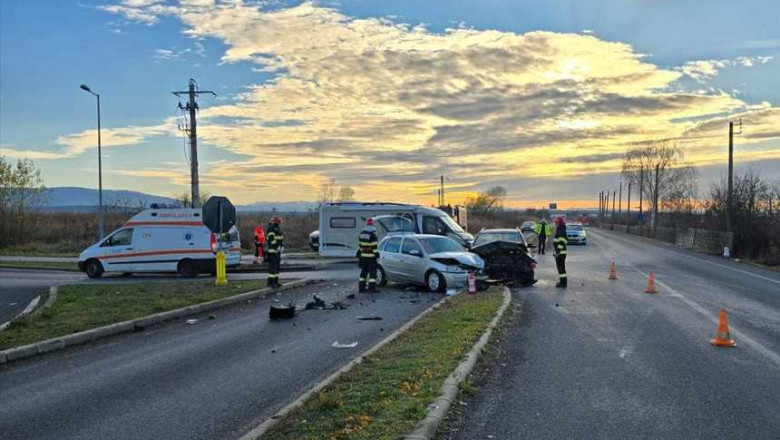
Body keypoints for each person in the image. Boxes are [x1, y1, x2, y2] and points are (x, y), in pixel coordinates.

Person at [358, 218, 380, 293]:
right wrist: (377, 255)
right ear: (372, 226)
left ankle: (361, 288)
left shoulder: (361, 234)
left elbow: (360, 246)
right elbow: (374, 247)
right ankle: (372, 288)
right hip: (371, 258)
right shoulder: (373, 236)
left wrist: (363, 253)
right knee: (372, 274)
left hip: (363, 257)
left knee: (363, 273)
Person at [266, 216, 284, 288]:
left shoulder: (277, 228)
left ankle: (276, 282)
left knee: (277, 267)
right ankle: (270, 283)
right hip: (272, 251)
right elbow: (271, 239)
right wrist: (276, 246)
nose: (279, 223)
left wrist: (282, 246)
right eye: (278, 221)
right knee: (272, 267)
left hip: (277, 251)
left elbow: (281, 238)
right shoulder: (271, 228)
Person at [552, 216, 568, 288]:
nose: (555, 224)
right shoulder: (560, 229)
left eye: (556, 222)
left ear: (559, 223)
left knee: (561, 268)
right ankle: (562, 282)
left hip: (561, 253)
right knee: (560, 268)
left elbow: (562, 242)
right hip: (560, 252)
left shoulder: (561, 230)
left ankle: (563, 283)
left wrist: (558, 252)